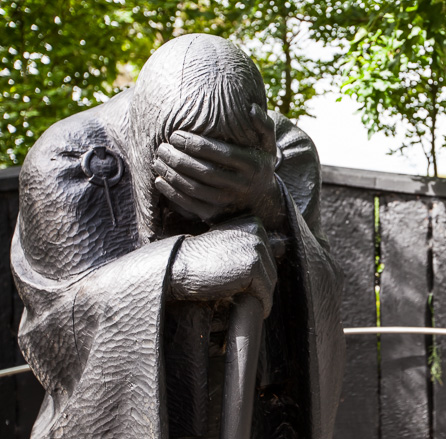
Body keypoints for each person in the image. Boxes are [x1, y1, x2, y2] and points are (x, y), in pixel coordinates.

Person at [12, 34, 345, 439]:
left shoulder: (286, 152)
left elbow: (324, 291)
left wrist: (270, 199)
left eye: (225, 184)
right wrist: (177, 270)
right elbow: (54, 325)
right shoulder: (65, 159)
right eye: (183, 186)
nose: (205, 211)